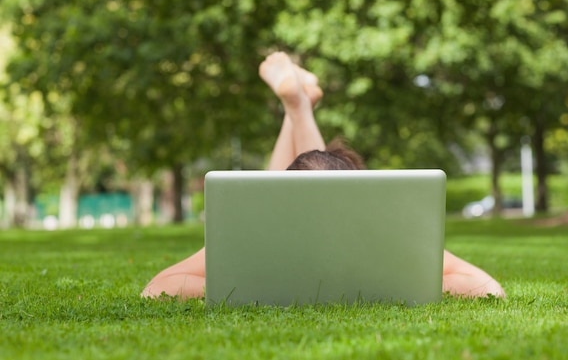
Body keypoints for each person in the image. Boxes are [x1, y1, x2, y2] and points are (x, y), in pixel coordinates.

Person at [141, 52, 506, 300]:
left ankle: (298, 108)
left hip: (286, 208)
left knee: (303, 176)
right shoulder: (380, 232)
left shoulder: (267, 227)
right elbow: (488, 289)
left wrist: (246, 288)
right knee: (314, 175)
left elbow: (157, 289)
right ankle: (298, 108)